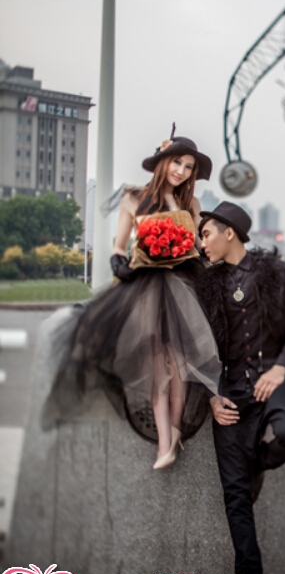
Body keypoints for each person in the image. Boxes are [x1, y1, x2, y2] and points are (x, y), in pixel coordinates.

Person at [43, 136, 221, 469]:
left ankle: (173, 434)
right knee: (155, 365)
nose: (182, 171)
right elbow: (119, 244)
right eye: (177, 162)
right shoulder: (133, 197)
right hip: (146, 286)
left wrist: (212, 253)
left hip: (183, 284)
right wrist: (117, 262)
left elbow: (199, 244)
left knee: (179, 364)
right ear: (162, 161)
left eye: (189, 167)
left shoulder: (191, 204)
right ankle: (165, 442)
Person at [195, 201, 285, 574]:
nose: (201, 243)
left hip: (270, 382)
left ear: (229, 232)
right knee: (235, 494)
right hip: (230, 391)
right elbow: (196, 348)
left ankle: (257, 462)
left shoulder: (274, 272)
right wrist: (211, 396)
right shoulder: (207, 284)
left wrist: (280, 369)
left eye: (206, 233)